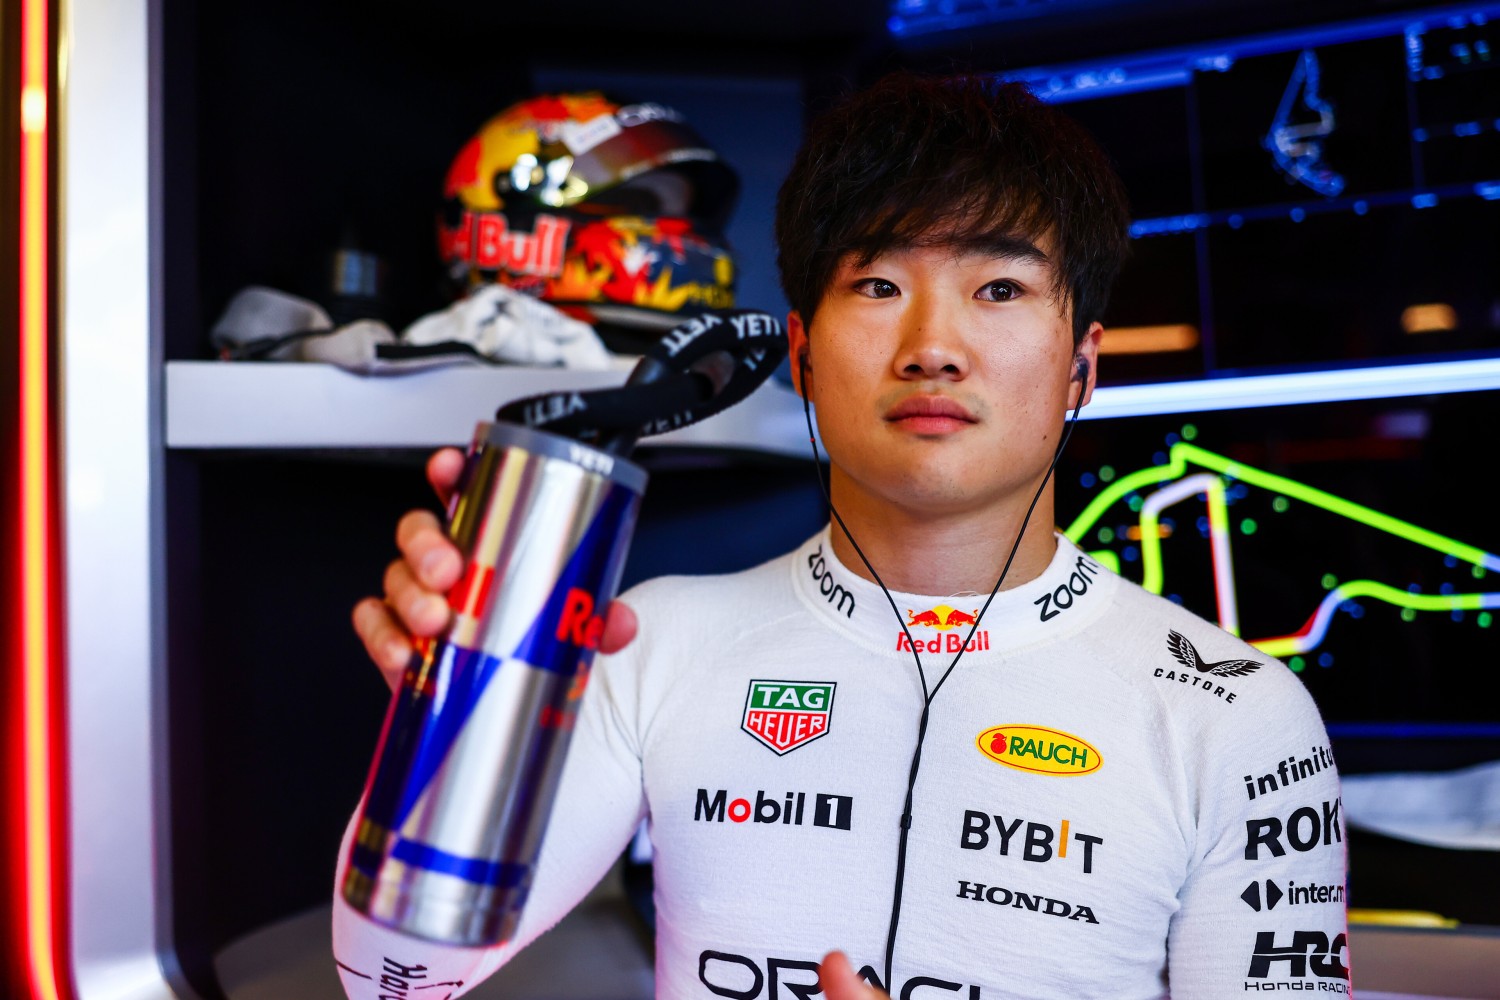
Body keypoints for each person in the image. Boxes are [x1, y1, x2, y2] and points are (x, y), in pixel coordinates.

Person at [336, 70, 1350, 999]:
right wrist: (448, 720)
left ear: (1084, 365)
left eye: (998, 289)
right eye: (878, 286)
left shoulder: (1240, 718)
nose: (934, 347)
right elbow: (394, 982)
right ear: (804, 353)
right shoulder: (652, 642)